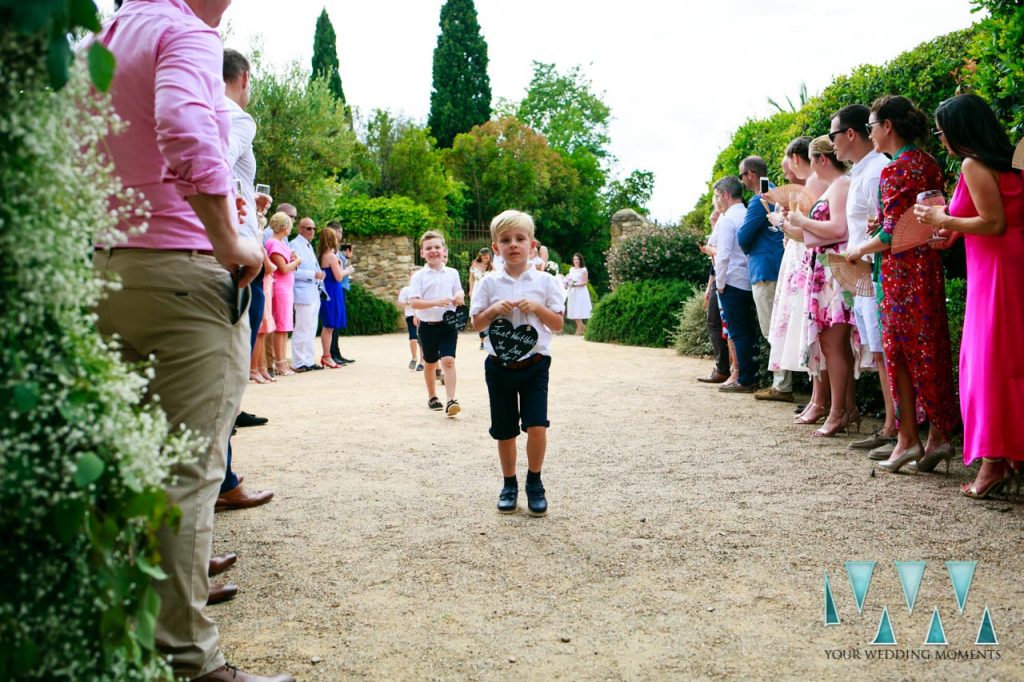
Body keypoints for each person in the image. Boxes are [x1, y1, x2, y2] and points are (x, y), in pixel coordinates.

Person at [92, 1, 291, 680]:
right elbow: (181, 125)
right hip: (183, 278)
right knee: (182, 479)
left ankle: (124, 646)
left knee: (128, 475)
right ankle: (187, 663)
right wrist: (231, 239)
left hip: (113, 270)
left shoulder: (109, 33)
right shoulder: (185, 32)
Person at [914, 93, 1024, 495]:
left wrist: (942, 217)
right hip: (1007, 264)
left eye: (942, 131)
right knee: (1010, 361)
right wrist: (954, 232)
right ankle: (1010, 455)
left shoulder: (972, 164)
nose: (940, 139)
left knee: (989, 364)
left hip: (996, 270)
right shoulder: (1011, 162)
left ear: (960, 131)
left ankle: (993, 464)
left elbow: (994, 223)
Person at [846, 95, 959, 473]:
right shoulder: (927, 162)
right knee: (931, 349)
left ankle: (908, 438)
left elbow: (894, 234)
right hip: (928, 266)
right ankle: (939, 434)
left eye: (872, 126)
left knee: (900, 354)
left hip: (900, 273)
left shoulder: (895, 171)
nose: (870, 133)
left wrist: (858, 249)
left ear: (887, 126)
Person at [470, 210, 565, 516]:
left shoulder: (545, 282)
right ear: (496, 247)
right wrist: (493, 311)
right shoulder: (487, 283)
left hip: (535, 364)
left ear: (532, 245)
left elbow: (558, 323)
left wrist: (537, 307)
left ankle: (534, 482)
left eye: (520, 239)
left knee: (537, 426)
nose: (513, 245)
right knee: (505, 429)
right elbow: (475, 322)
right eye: (506, 240)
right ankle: (508, 483)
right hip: (499, 366)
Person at [830, 104, 899, 456]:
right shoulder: (863, 170)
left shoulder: (876, 172)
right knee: (877, 350)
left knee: (886, 350)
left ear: (850, 134)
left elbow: (887, 228)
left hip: (876, 272)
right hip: (864, 272)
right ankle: (892, 425)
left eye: (833, 135)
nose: (832, 143)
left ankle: (896, 428)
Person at [783, 136, 858, 437]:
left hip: (834, 272)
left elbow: (839, 229)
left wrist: (802, 220)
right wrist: (797, 228)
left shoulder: (840, 185)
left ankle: (839, 410)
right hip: (826, 269)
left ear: (820, 160)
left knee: (833, 343)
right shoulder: (836, 186)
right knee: (831, 343)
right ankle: (843, 408)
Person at [778, 138, 832, 425]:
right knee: (811, 333)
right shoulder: (815, 183)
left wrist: (783, 223)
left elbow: (801, 229)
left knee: (815, 333)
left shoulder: (815, 183)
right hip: (804, 258)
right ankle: (817, 398)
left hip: (810, 258)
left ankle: (821, 400)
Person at [737, 156, 790, 401]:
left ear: (750, 174)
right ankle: (782, 383)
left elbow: (743, 236)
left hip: (765, 269)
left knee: (772, 329)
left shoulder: (761, 199)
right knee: (781, 328)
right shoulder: (777, 192)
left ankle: (781, 385)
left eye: (741, 176)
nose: (742, 181)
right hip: (778, 265)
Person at [408, 231, 465, 416]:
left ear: (444, 250)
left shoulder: (452, 273)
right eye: (429, 248)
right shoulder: (418, 277)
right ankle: (432, 396)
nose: (433, 251)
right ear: (422, 253)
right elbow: (414, 302)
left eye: (437, 247)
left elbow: (460, 292)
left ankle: (451, 400)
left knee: (448, 361)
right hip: (427, 327)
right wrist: (435, 302)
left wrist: (459, 297)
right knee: (430, 363)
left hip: (449, 324)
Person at [711, 176, 758, 393]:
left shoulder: (728, 219)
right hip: (748, 278)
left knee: (738, 332)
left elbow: (723, 255)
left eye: (718, 195)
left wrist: (720, 283)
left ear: (726, 195)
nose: (717, 200)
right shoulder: (747, 212)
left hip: (733, 280)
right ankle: (750, 375)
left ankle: (746, 378)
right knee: (747, 330)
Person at [697, 198, 730, 383]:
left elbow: (721, 257)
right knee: (716, 323)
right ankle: (723, 367)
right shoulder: (722, 223)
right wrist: (709, 287)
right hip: (718, 278)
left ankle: (723, 368)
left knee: (717, 323)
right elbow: (714, 267)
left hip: (725, 279)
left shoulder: (727, 221)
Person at [265, 212, 300, 377]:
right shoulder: (273, 244)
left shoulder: (282, 244)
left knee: (285, 326)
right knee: (280, 326)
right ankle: (279, 363)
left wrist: (292, 259)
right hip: (280, 288)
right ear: (285, 227)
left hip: (286, 288)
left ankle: (283, 361)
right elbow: (283, 269)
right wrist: (296, 261)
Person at [289, 217, 325, 371]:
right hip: (302, 292)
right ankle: (298, 362)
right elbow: (292, 271)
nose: (312, 231)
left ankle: (309, 360)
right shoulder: (294, 245)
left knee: (311, 328)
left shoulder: (309, 246)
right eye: (308, 228)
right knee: (301, 328)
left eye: (313, 228)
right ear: (300, 228)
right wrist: (313, 274)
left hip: (314, 292)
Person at [317, 228, 345, 368]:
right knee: (329, 325)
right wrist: (347, 270)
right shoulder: (331, 256)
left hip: (328, 290)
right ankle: (327, 356)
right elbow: (339, 276)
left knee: (329, 325)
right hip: (332, 291)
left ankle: (327, 355)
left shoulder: (321, 255)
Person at [397, 268, 424, 370]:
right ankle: (414, 357)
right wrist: (410, 302)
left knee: (422, 340)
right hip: (410, 316)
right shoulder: (406, 290)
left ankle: (422, 361)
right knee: (413, 338)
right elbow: (401, 302)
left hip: (422, 317)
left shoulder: (423, 289)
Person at [468, 247, 494, 350]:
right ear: (480, 256)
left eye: (487, 257)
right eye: (483, 256)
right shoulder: (475, 264)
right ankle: (482, 341)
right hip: (476, 290)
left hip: (487, 292)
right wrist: (470, 289)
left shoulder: (492, 267)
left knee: (488, 313)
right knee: (478, 313)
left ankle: (489, 339)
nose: (485, 258)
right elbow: (471, 277)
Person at [565, 253, 592, 334]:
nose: (576, 261)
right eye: (574, 259)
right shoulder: (571, 269)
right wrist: (567, 283)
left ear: (580, 260)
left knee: (578, 309)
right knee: (573, 309)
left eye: (577, 259)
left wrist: (574, 285)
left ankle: (579, 329)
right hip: (573, 292)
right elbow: (569, 278)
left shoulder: (583, 269)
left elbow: (585, 282)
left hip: (580, 292)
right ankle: (582, 327)